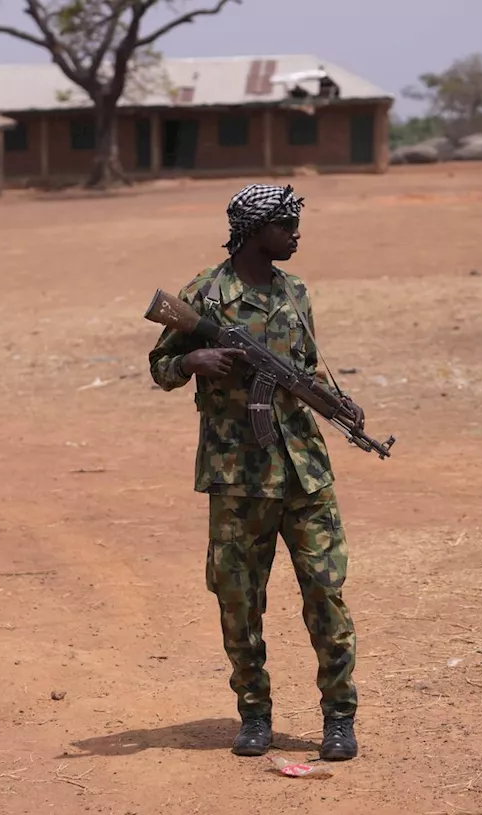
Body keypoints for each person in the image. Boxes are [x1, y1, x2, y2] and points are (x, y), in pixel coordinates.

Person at [147, 184, 361, 761]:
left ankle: (339, 717)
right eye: (286, 225)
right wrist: (194, 360)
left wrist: (340, 407)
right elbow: (160, 366)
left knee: (326, 592)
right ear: (254, 231)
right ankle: (254, 714)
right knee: (239, 599)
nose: (295, 235)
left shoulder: (295, 294)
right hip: (237, 477)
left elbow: (306, 372)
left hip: (305, 473)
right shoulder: (206, 295)